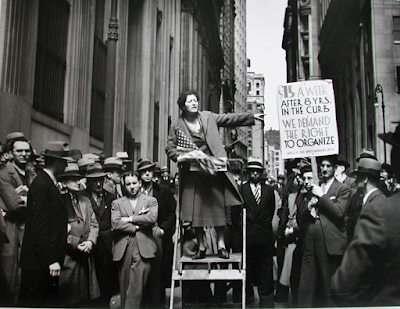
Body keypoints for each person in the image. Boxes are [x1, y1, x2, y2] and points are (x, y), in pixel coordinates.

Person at [165, 89, 262, 259]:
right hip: (193, 174)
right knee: (196, 212)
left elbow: (228, 118)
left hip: (214, 170)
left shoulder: (208, 117)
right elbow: (170, 149)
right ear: (182, 106)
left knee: (218, 209)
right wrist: (184, 156)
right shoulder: (177, 126)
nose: (194, 103)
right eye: (190, 101)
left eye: (196, 100)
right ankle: (201, 246)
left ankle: (221, 246)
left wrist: (251, 117)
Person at [331, 124, 400, 306]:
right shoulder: (361, 200)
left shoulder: (380, 211)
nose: (356, 181)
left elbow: (344, 285)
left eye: (359, 178)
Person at [19, 141, 70, 307]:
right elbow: (39, 227)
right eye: (64, 162)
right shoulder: (42, 185)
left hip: (43, 261)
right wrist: (50, 259)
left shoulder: (47, 183)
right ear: (57, 163)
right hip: (39, 263)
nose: (66, 166)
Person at [297, 155, 351, 307]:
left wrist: (322, 196)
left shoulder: (342, 189)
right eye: (322, 166)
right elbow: (301, 216)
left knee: (328, 286)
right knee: (306, 284)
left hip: (329, 242)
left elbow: (339, 212)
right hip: (310, 238)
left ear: (334, 169)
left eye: (328, 166)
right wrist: (308, 208)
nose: (325, 169)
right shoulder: (313, 186)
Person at [232, 157, 275, 307]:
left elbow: (270, 212)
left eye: (257, 171)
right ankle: (248, 304)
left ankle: (267, 305)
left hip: (264, 239)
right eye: (252, 171)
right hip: (247, 239)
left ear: (261, 173)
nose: (255, 173)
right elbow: (235, 214)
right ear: (248, 173)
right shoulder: (241, 190)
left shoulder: (269, 190)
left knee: (265, 276)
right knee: (247, 275)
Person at [111, 172, 159, 309]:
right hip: (123, 246)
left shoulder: (150, 200)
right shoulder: (117, 203)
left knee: (138, 286)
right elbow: (115, 223)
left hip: (144, 245)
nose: (131, 187)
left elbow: (151, 219)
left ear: (139, 183)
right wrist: (137, 227)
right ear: (124, 186)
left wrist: (130, 219)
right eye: (128, 184)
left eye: (134, 183)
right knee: (124, 285)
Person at [57, 162, 100, 306]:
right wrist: (76, 244)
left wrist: (90, 241)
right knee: (68, 296)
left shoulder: (84, 200)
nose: (78, 182)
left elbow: (94, 224)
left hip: (86, 256)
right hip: (68, 257)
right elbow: (58, 230)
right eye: (73, 179)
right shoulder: (59, 201)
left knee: (84, 296)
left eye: (78, 179)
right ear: (63, 181)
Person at [137, 158, 176, 307]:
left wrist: (162, 229)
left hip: (157, 237)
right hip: (139, 236)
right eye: (143, 171)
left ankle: (158, 305)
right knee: (141, 273)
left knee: (157, 274)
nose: (147, 174)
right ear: (139, 174)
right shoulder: (134, 190)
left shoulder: (163, 191)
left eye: (149, 171)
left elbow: (171, 215)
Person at [0, 133, 33, 305]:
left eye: (26, 151)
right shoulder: (5, 173)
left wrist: (27, 197)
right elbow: (13, 204)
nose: (23, 154)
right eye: (19, 151)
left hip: (27, 231)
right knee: (10, 277)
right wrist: (32, 200)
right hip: (11, 233)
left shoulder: (31, 172)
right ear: (11, 153)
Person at [83, 162, 119, 306]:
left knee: (105, 280)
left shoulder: (110, 197)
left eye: (100, 180)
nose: (98, 183)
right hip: (89, 243)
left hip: (106, 245)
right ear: (88, 181)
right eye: (94, 180)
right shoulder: (83, 196)